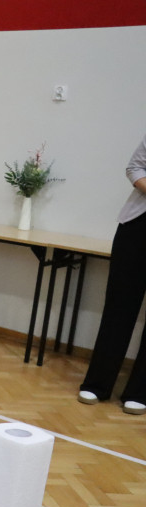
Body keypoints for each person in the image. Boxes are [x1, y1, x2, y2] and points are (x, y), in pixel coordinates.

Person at [78, 134, 146, 415]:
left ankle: (140, 392)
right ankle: (97, 384)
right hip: (137, 227)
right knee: (119, 306)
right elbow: (135, 168)